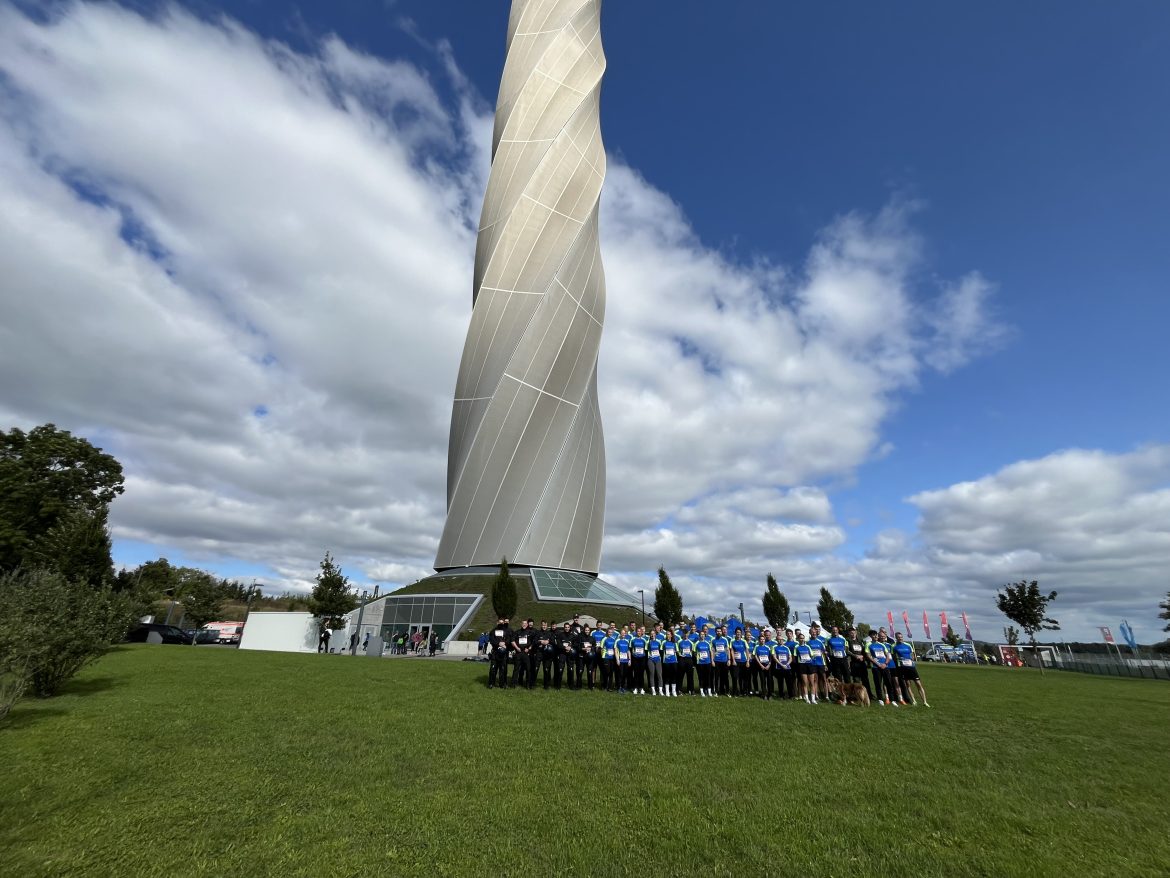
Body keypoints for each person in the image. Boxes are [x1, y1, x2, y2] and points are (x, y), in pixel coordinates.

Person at [892, 632, 929, 706]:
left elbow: (912, 655)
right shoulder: (894, 646)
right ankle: (914, 701)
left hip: (911, 667)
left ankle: (925, 702)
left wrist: (911, 660)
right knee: (908, 684)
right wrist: (899, 660)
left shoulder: (908, 645)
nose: (900, 638)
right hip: (902, 667)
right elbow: (893, 657)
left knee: (918, 684)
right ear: (896, 638)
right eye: (898, 637)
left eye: (901, 637)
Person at [867, 629, 897, 706]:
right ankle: (880, 699)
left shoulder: (882, 645)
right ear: (871, 636)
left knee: (889, 683)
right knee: (878, 683)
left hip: (885, 666)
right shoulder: (868, 644)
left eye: (876, 635)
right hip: (876, 667)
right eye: (873, 635)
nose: (875, 636)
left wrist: (885, 663)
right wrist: (878, 664)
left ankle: (892, 699)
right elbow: (869, 656)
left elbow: (888, 655)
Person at [846, 626, 873, 700]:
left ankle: (869, 695)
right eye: (851, 632)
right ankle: (857, 696)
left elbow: (865, 651)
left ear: (856, 632)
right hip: (854, 663)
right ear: (849, 633)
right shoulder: (847, 641)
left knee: (865, 680)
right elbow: (847, 651)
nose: (852, 634)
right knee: (856, 680)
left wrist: (863, 657)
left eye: (854, 632)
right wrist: (855, 656)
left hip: (862, 663)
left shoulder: (860, 641)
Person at [487, 616, 510, 690]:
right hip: (495, 653)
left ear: (504, 623)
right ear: (497, 622)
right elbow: (491, 640)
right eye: (499, 622)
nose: (501, 624)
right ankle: (491, 683)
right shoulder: (493, 631)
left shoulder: (506, 631)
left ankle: (502, 684)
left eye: (502, 623)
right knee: (493, 669)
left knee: (502, 669)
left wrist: (504, 643)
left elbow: (509, 639)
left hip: (503, 653)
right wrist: (498, 643)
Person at [511, 619, 535, 690]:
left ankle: (528, 684)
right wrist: (516, 647)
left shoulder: (530, 632)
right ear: (521, 624)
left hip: (526, 653)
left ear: (527, 625)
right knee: (516, 669)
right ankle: (513, 684)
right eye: (523, 623)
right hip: (518, 653)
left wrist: (529, 648)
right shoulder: (517, 632)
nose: (524, 624)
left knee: (528, 669)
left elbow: (534, 642)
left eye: (525, 623)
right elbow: (512, 641)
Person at [794, 631, 816, 703]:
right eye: (800, 638)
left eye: (803, 638)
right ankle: (807, 699)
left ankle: (813, 699)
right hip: (802, 666)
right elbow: (795, 657)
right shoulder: (796, 647)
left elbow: (812, 655)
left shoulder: (808, 646)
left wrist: (810, 660)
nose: (802, 639)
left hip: (809, 665)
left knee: (812, 683)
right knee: (804, 683)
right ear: (798, 639)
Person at [753, 630, 774, 699]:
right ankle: (764, 694)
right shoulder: (756, 647)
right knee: (762, 680)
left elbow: (770, 657)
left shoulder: (768, 647)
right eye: (761, 639)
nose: (762, 640)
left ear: (764, 640)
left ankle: (770, 694)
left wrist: (769, 664)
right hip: (760, 666)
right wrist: (760, 665)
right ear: (759, 640)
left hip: (768, 666)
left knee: (769, 680)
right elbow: (755, 656)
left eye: (763, 639)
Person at [773, 634, 794, 699]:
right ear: (777, 640)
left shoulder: (786, 648)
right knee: (780, 682)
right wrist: (781, 665)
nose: (780, 640)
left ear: (783, 640)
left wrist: (787, 664)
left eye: (781, 639)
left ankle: (791, 695)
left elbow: (790, 658)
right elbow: (774, 657)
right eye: (778, 639)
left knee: (789, 682)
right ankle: (781, 695)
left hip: (787, 667)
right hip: (779, 667)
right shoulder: (774, 647)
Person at [555, 621, 576, 690]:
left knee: (570, 669)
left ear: (570, 628)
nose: (567, 628)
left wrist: (570, 647)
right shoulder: (560, 635)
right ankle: (558, 686)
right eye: (565, 627)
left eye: (568, 627)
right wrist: (565, 647)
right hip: (562, 654)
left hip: (570, 654)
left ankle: (571, 685)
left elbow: (575, 643)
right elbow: (558, 644)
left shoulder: (572, 635)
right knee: (560, 669)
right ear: (564, 628)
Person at [712, 626, 731, 696]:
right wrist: (712, 660)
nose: (719, 632)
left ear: (721, 632)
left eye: (720, 631)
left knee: (726, 677)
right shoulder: (713, 640)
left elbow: (727, 650)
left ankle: (727, 691)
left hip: (724, 661)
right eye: (717, 631)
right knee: (716, 677)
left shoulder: (725, 640)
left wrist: (729, 659)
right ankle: (716, 691)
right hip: (716, 661)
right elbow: (712, 650)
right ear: (715, 632)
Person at [536, 621, 556, 690]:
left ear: (547, 626)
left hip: (547, 654)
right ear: (541, 625)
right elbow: (535, 642)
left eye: (545, 625)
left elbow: (554, 642)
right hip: (539, 653)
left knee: (546, 669)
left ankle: (546, 685)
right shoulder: (538, 633)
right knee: (536, 668)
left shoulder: (550, 633)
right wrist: (540, 641)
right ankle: (532, 684)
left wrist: (548, 642)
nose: (544, 626)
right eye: (543, 625)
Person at [731, 627, 750, 697]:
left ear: (741, 633)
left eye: (739, 632)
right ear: (735, 633)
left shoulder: (744, 641)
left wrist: (748, 661)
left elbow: (747, 651)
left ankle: (744, 691)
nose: (738, 633)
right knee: (735, 677)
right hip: (736, 662)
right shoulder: (732, 641)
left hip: (743, 661)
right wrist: (733, 660)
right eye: (737, 632)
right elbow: (732, 651)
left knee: (744, 678)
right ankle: (735, 692)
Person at [695, 629, 714, 696]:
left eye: (703, 634)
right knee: (701, 677)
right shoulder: (697, 643)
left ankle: (709, 691)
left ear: (705, 635)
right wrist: (698, 658)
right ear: (699, 635)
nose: (702, 635)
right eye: (701, 634)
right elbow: (694, 652)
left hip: (707, 662)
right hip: (700, 663)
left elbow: (711, 652)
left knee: (708, 677)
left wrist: (712, 661)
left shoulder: (707, 643)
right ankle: (702, 691)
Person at [677, 626, 696, 695]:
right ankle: (679, 690)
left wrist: (693, 663)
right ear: (682, 634)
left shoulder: (691, 642)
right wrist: (680, 655)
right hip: (682, 659)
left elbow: (693, 652)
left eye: (687, 633)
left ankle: (691, 690)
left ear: (688, 634)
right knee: (680, 676)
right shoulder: (679, 641)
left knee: (690, 676)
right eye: (684, 633)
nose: (685, 635)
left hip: (689, 660)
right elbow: (677, 650)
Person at [630, 627, 649, 694]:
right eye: (637, 631)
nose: (639, 632)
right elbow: (631, 648)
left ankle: (641, 688)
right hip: (635, 658)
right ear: (636, 632)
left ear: (641, 632)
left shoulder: (644, 640)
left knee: (641, 673)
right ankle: (635, 688)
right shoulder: (633, 639)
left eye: (640, 631)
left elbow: (645, 650)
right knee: (636, 673)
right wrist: (633, 654)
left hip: (642, 658)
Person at [615, 626, 632, 693]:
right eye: (622, 633)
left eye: (624, 633)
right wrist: (617, 659)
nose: (623, 634)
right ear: (620, 634)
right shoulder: (617, 641)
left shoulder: (627, 641)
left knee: (625, 674)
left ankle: (623, 687)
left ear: (625, 634)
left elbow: (628, 651)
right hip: (620, 660)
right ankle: (619, 687)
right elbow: (616, 651)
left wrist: (629, 660)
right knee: (620, 674)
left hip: (626, 660)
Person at [662, 630, 679, 696]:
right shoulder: (664, 642)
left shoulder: (674, 643)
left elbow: (677, 652)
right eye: (667, 634)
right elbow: (662, 652)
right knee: (667, 676)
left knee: (673, 676)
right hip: (666, 662)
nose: (668, 635)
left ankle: (673, 691)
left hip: (674, 662)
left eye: (669, 634)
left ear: (671, 635)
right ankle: (667, 691)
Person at [646, 630, 664, 695]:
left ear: (655, 634)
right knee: (652, 674)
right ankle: (653, 690)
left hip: (658, 659)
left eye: (653, 633)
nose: (652, 635)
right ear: (650, 635)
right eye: (651, 634)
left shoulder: (659, 641)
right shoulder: (648, 642)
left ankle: (660, 690)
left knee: (659, 675)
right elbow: (646, 650)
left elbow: (661, 651)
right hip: (650, 659)